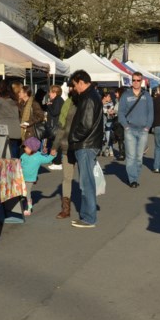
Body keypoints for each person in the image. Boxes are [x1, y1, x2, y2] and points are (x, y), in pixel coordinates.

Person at [67, 69, 103, 229]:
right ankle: (88, 215)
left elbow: (86, 125)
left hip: (86, 144)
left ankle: (89, 217)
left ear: (81, 82)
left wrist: (73, 137)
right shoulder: (91, 96)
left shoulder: (89, 98)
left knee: (86, 182)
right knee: (87, 181)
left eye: (75, 85)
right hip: (88, 144)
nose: (74, 88)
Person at [116, 72, 154, 188]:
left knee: (139, 157)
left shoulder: (146, 95)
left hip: (143, 130)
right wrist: (125, 126)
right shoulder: (126, 95)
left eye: (138, 80)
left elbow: (151, 112)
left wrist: (148, 127)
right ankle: (132, 179)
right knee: (131, 156)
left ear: (141, 81)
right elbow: (121, 112)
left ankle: (135, 176)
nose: (136, 82)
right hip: (130, 130)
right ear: (131, 81)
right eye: (134, 80)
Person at [53, 87, 78, 219]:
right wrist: (54, 146)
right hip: (67, 145)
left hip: (82, 146)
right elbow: (61, 127)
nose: (72, 88)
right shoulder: (67, 104)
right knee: (67, 178)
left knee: (86, 179)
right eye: (71, 86)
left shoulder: (86, 103)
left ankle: (87, 207)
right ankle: (66, 209)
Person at [19, 136, 55, 217]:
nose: (25, 149)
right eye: (25, 147)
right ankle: (22, 203)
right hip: (21, 177)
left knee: (27, 192)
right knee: (21, 192)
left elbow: (47, 159)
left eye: (27, 147)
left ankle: (28, 207)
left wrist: (52, 155)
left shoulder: (38, 156)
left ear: (33, 149)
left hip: (30, 179)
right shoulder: (23, 156)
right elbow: (20, 164)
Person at [0, 80, 21, 158]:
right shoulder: (14, 100)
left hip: (2, 130)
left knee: (1, 153)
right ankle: (15, 168)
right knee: (14, 151)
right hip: (15, 130)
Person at [43, 85, 65, 169]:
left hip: (56, 125)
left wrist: (48, 105)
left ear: (55, 92)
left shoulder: (58, 100)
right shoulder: (57, 100)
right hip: (55, 125)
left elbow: (55, 112)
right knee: (54, 143)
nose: (49, 94)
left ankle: (57, 162)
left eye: (50, 92)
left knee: (56, 144)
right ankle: (55, 161)